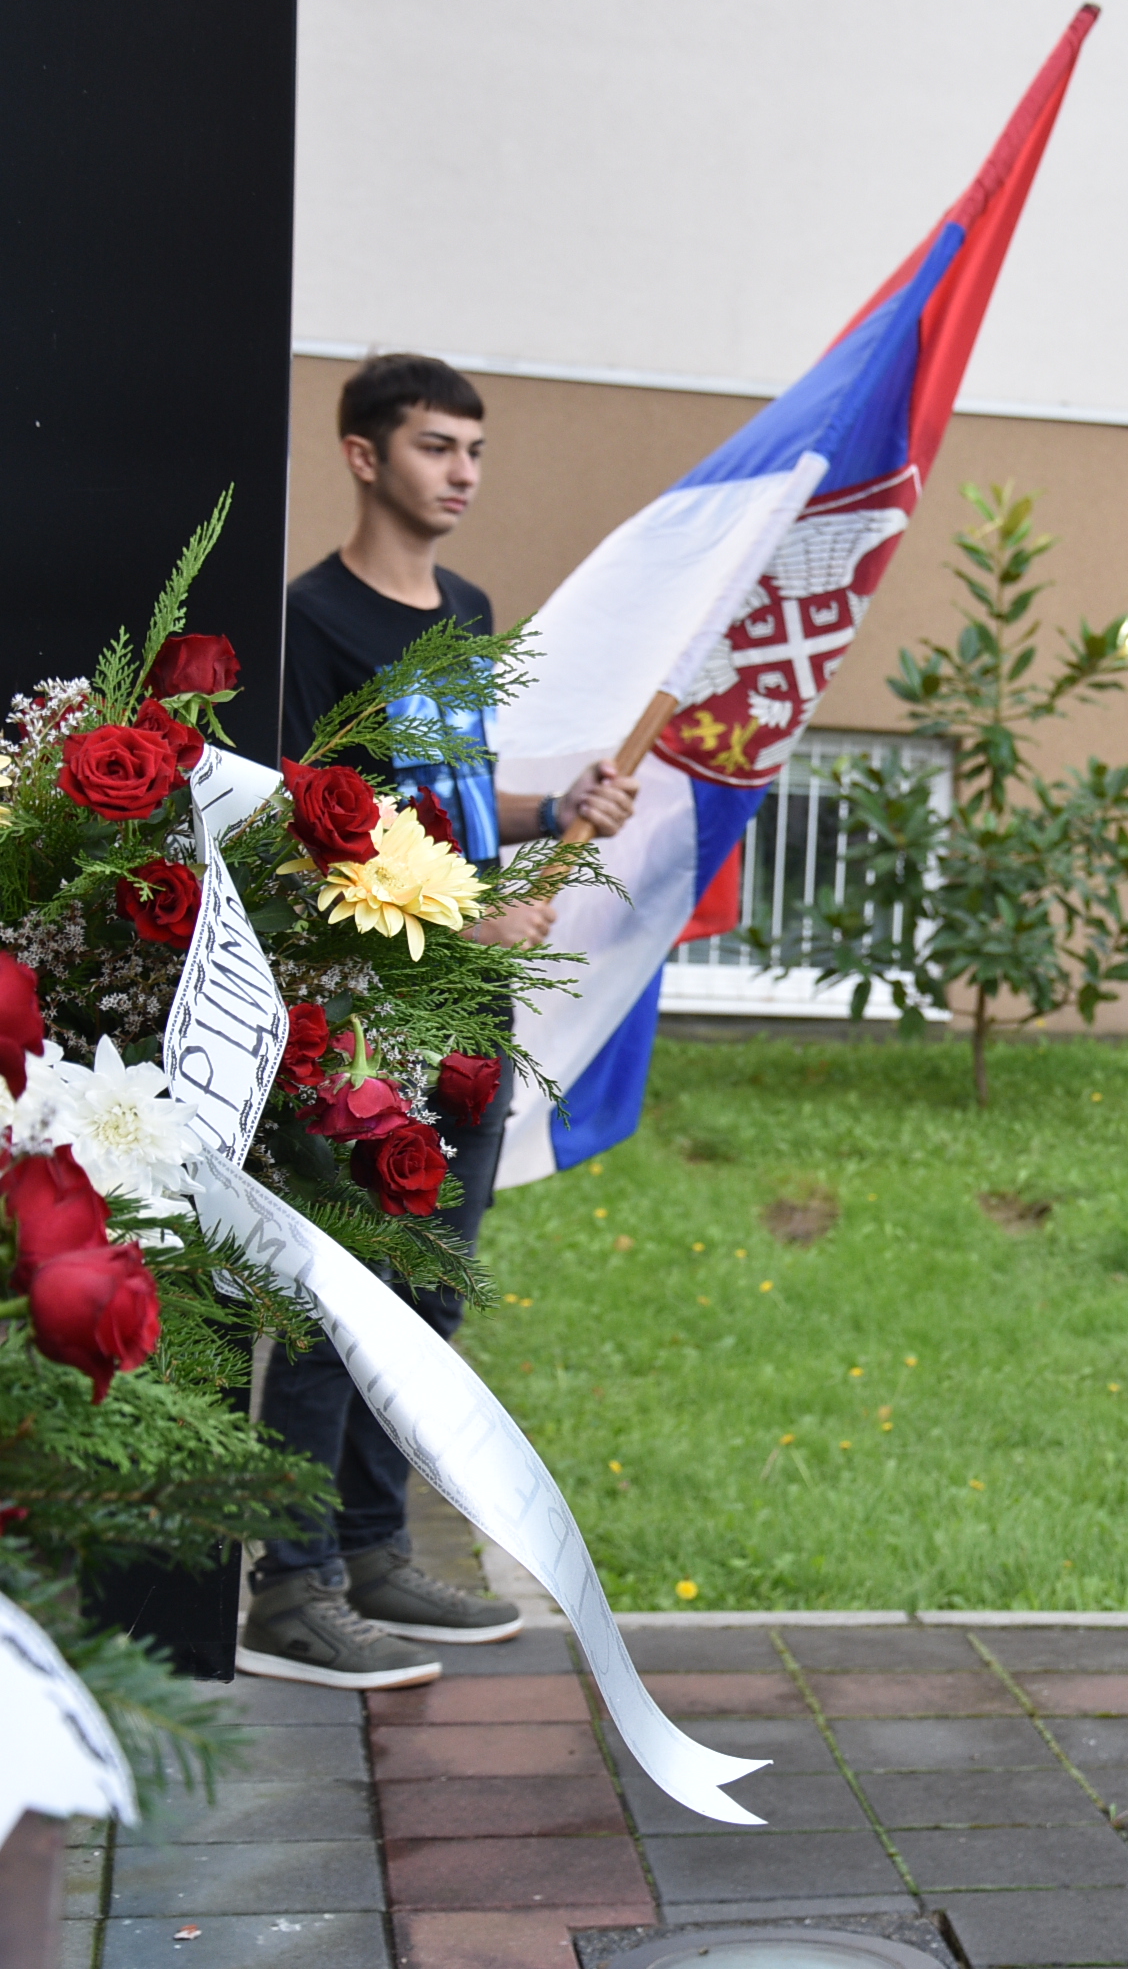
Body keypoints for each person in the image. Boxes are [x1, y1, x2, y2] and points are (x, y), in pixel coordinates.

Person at [244, 354, 641, 1691]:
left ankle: (372, 1550)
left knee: (424, 1294)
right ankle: (290, 1588)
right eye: (434, 446)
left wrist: (553, 810)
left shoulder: (464, 610)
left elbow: (447, 793)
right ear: (363, 456)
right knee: (342, 1295)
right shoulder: (309, 623)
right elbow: (301, 838)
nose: (462, 472)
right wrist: (464, 920)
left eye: (474, 449)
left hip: (468, 1014)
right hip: (361, 1017)